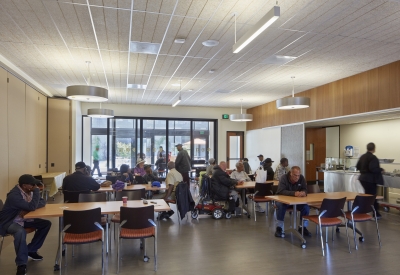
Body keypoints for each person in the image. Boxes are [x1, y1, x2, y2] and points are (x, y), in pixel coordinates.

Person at [0, 174, 52, 275]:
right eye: (32, 184)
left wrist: (27, 208)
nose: (35, 186)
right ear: (24, 185)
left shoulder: (28, 191)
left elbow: (43, 202)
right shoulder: (14, 195)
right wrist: (34, 197)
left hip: (24, 219)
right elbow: (32, 207)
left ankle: (31, 250)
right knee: (20, 232)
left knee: (46, 224)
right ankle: (21, 264)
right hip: (10, 221)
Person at [275, 166, 311, 238]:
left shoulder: (301, 178)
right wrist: (294, 193)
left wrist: (304, 192)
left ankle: (302, 227)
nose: (297, 177)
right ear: (291, 173)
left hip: (297, 202)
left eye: (298, 175)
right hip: (284, 201)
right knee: (281, 206)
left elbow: (305, 189)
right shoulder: (284, 178)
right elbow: (281, 191)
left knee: (306, 207)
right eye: (295, 175)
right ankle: (279, 228)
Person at [356, 142, 384, 219]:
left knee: (367, 195)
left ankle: (364, 211)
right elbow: (373, 169)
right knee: (373, 196)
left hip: (362, 178)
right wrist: (381, 169)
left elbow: (357, 166)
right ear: (374, 149)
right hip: (370, 179)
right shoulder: (373, 158)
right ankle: (376, 213)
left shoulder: (362, 157)